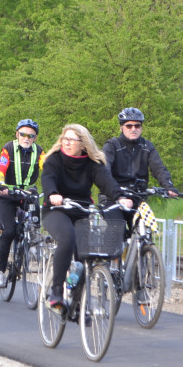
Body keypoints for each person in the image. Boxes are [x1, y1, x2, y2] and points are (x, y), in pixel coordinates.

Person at [41, 124, 131, 312]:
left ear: (83, 144)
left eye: (72, 140)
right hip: (57, 210)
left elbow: (107, 182)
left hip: (81, 210)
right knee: (67, 239)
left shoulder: (92, 164)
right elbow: (48, 178)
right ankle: (56, 291)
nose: (67, 143)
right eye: (65, 138)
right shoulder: (54, 160)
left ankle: (78, 304)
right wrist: (52, 194)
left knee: (85, 255)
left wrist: (120, 197)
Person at [0, 119, 45, 288]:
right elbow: (1, 168)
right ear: (17, 135)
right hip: (8, 194)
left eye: (31, 135)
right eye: (23, 134)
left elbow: (48, 168)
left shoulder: (39, 151)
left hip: (26, 193)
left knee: (35, 210)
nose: (26, 138)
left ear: (35, 138)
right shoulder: (8, 148)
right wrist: (1, 184)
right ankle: (0, 272)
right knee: (9, 232)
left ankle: (33, 242)